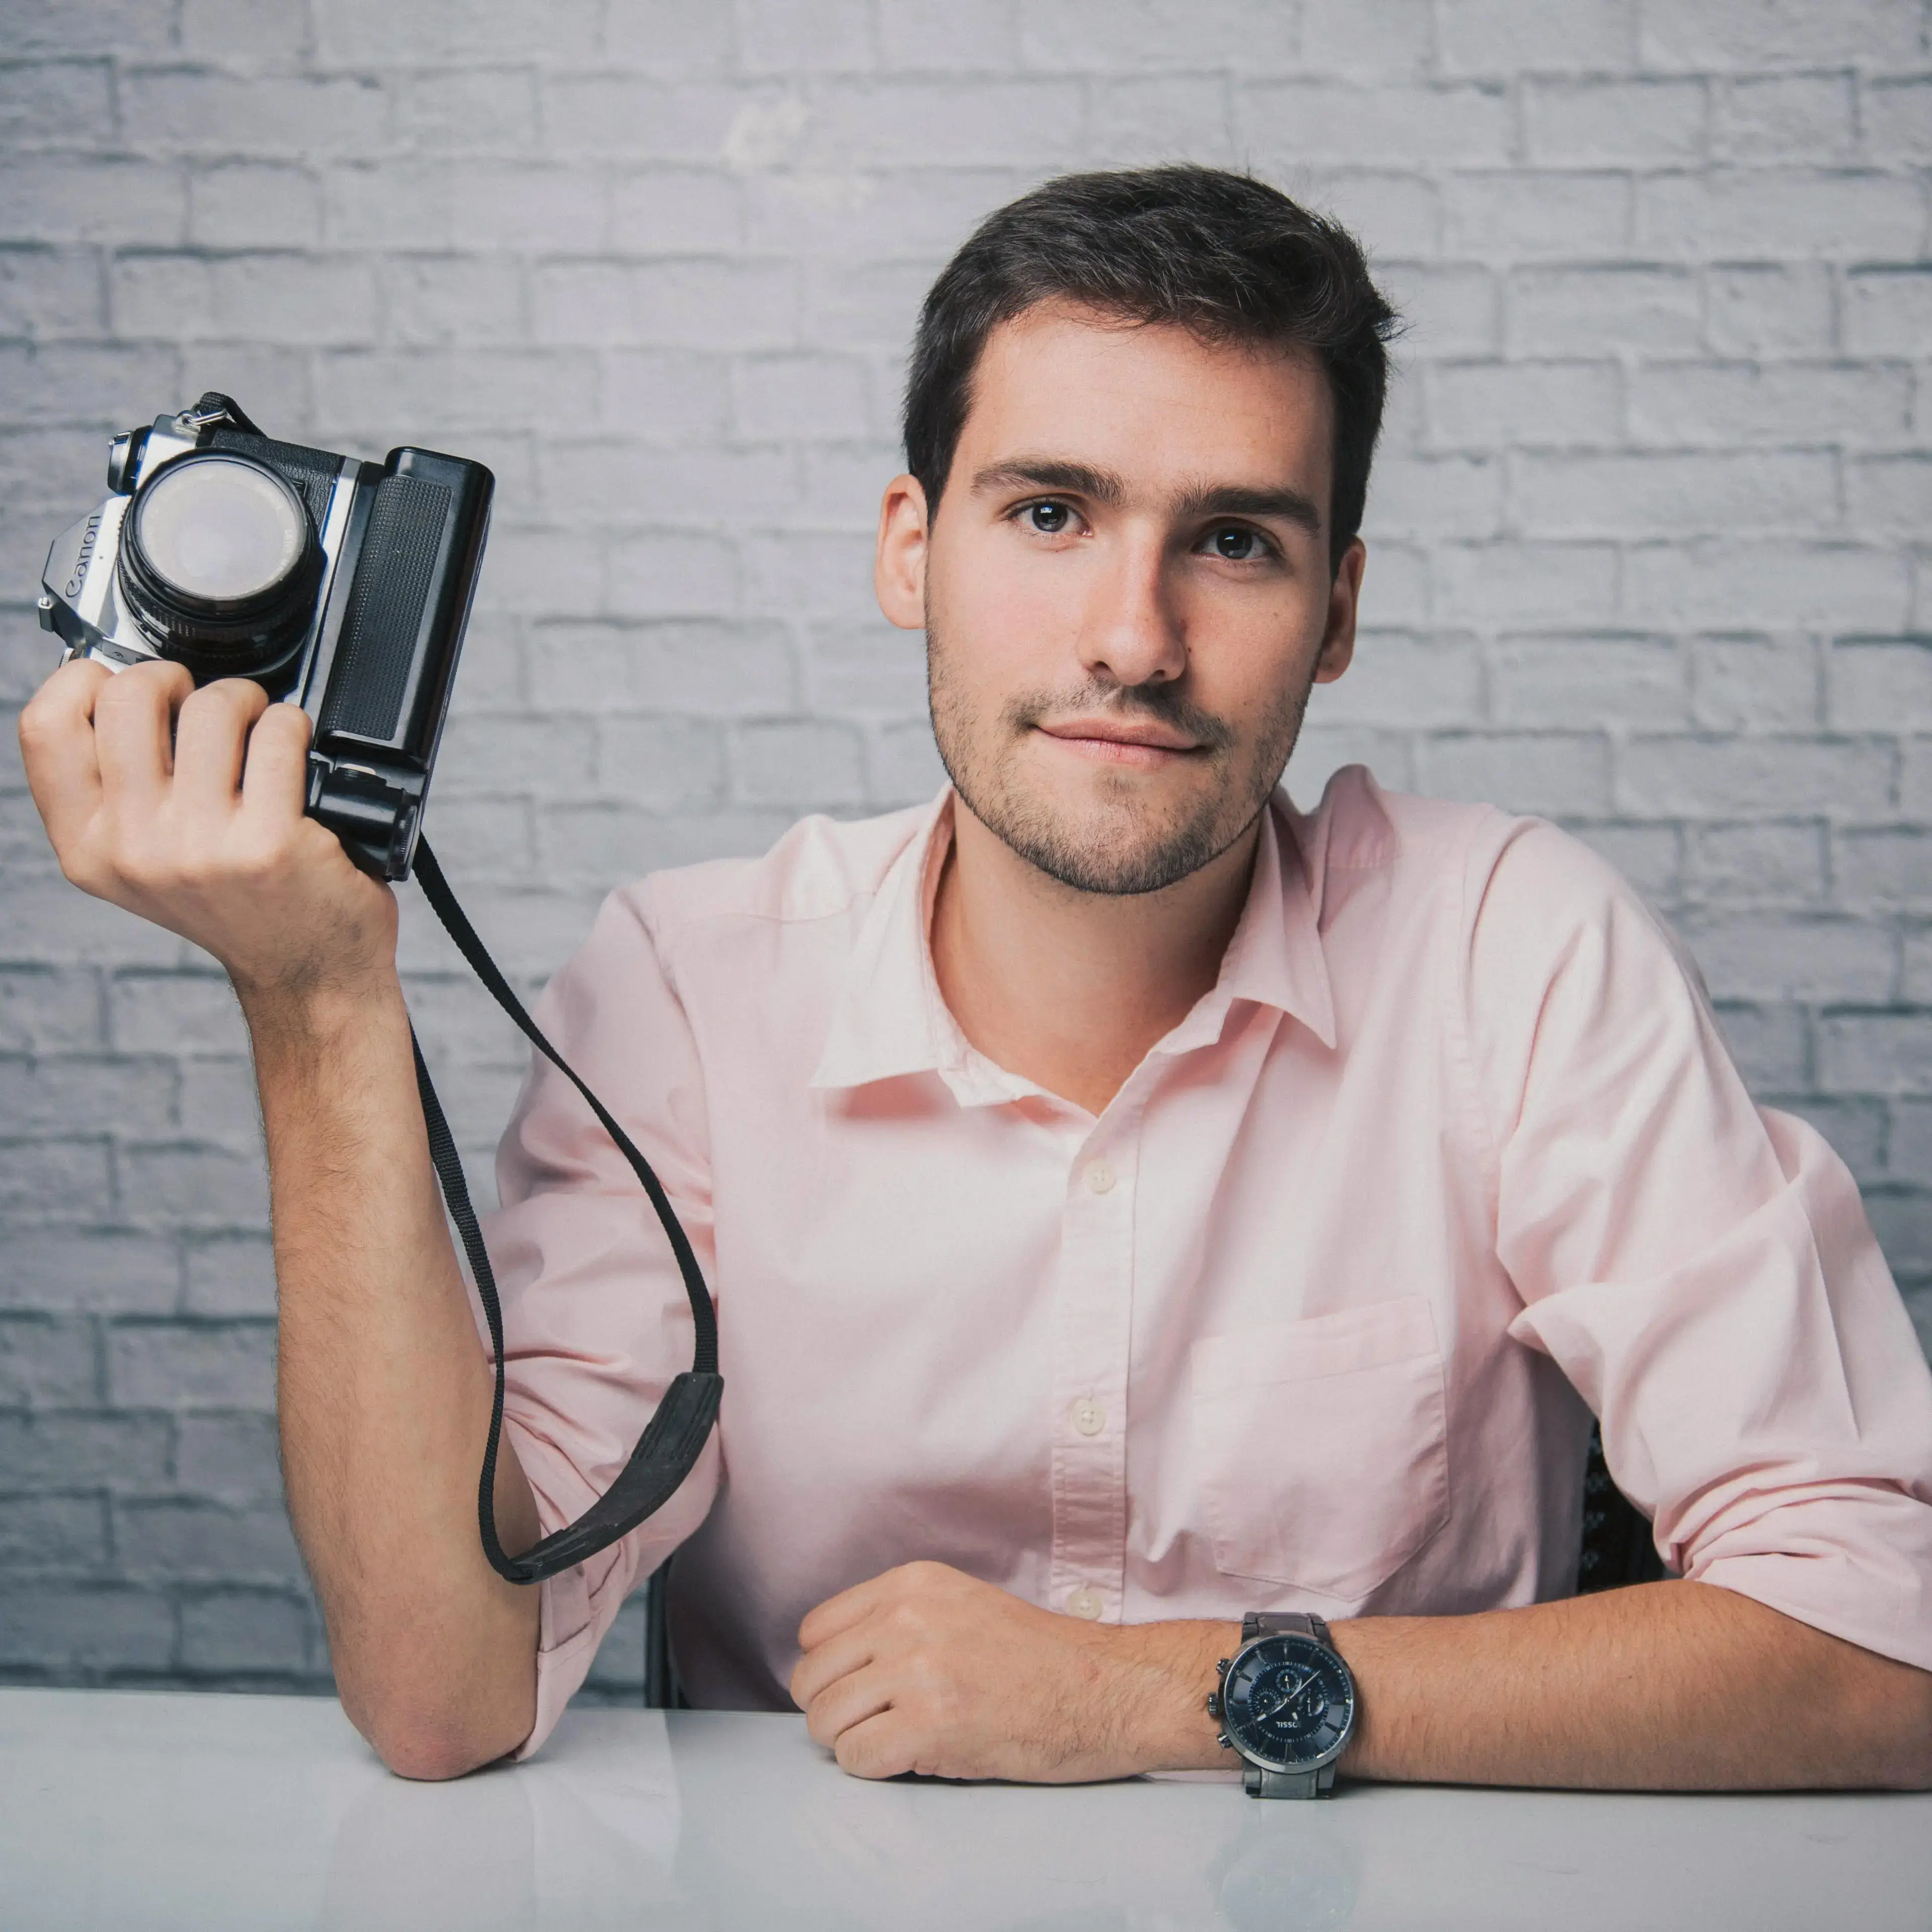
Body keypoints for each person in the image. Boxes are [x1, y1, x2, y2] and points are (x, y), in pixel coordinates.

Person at [20, 167, 1932, 1791]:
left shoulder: (1517, 952)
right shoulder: (689, 993)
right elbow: (444, 1692)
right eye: (1049, 513)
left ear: (1337, 611)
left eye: (1237, 543)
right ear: (909, 552)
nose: (1135, 635)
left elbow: (1884, 1642)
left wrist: (1159, 1694)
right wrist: (321, 1002)